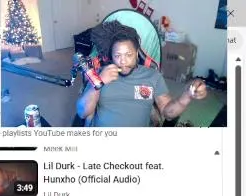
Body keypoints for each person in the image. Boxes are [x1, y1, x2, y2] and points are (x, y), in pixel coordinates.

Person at [77, 21, 209, 127]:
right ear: (111, 56)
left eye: (128, 55)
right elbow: (82, 113)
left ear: (136, 54)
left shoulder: (152, 76)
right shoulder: (99, 74)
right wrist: (98, 83)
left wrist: (187, 96)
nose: (123, 61)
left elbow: (167, 113)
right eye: (117, 55)